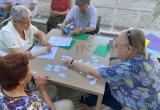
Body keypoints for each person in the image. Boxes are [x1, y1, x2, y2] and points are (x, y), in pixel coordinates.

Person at [63, 28, 160, 109]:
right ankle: (93, 98)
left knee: (101, 86)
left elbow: (93, 71)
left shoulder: (127, 69)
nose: (115, 47)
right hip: (147, 96)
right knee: (105, 83)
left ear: (129, 49)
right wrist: (116, 44)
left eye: (117, 45)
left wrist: (72, 62)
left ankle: (91, 101)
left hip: (137, 104)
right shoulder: (148, 55)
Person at [0, 53, 74, 110]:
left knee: (52, 89)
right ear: (21, 80)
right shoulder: (32, 104)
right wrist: (43, 90)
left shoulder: (4, 82)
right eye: (28, 69)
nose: (31, 71)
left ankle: (50, 101)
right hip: (32, 104)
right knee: (69, 103)